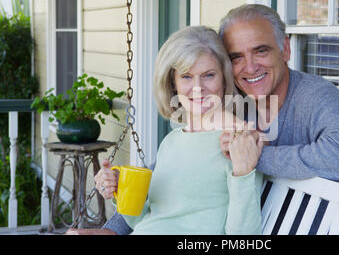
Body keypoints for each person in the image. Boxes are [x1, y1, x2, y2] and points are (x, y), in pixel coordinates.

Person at [71, 4, 339, 235]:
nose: (249, 66)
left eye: (260, 50)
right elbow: (175, 172)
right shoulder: (235, 101)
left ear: (285, 49)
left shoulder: (314, 96)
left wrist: (254, 156)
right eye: (236, 57)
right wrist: (113, 228)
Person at [66, 26, 263, 235]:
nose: (197, 87)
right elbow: (144, 220)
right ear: (173, 83)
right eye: (186, 77)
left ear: (224, 78)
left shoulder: (237, 140)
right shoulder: (172, 141)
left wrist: (243, 172)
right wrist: (119, 188)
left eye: (208, 75)